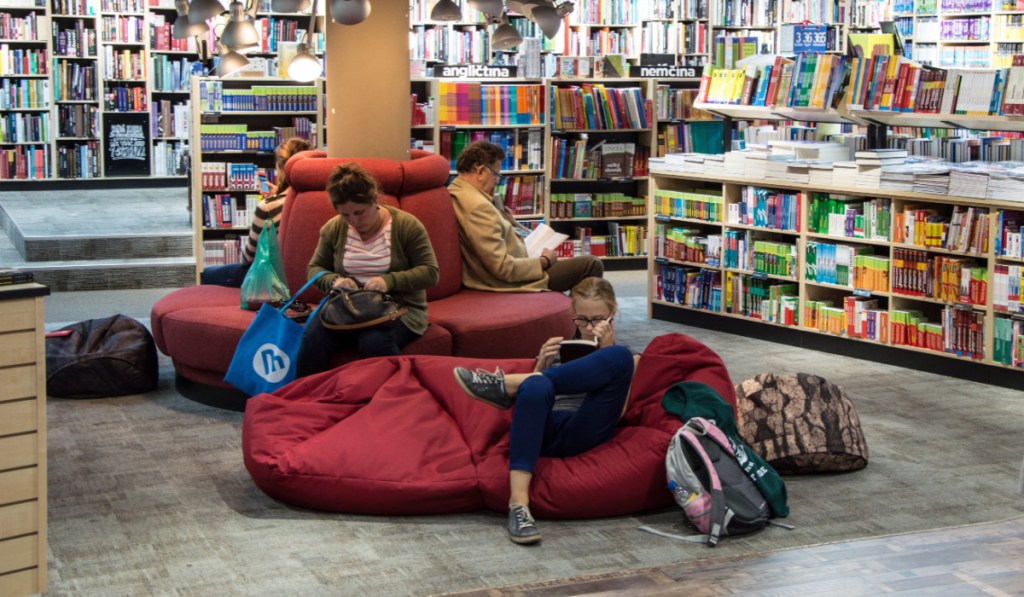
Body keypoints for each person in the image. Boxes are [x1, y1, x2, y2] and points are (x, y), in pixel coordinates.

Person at [452, 277, 638, 545]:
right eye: (581, 320)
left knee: (619, 357)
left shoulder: (626, 358)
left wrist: (605, 350)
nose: (588, 327)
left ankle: (506, 385)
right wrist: (539, 367)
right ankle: (519, 507)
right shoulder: (561, 351)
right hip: (547, 429)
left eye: (597, 319)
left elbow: (618, 414)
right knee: (537, 384)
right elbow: (535, 406)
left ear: (613, 314)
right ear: (572, 316)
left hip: (585, 426)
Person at [295, 162, 439, 377]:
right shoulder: (334, 228)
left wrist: (388, 281)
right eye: (345, 215)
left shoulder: (406, 225)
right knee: (312, 338)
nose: (354, 221)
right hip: (345, 308)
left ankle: (391, 402)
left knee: (374, 341)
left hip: (398, 308)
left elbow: (430, 272)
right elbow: (314, 269)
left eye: (360, 212)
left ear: (374, 199)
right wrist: (334, 281)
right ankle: (307, 400)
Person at [448, 140, 603, 292]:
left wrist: (512, 223)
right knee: (591, 264)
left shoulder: (458, 191)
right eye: (496, 175)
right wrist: (544, 261)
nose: (497, 181)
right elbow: (502, 268)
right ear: (481, 171)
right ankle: (583, 316)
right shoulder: (478, 206)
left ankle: (578, 314)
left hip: (519, 264)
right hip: (511, 280)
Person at [200, 136, 313, 287]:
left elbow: (248, 258)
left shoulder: (269, 207)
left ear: (280, 166)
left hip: (275, 277)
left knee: (209, 274)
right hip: (309, 274)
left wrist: (273, 200)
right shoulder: (320, 200)